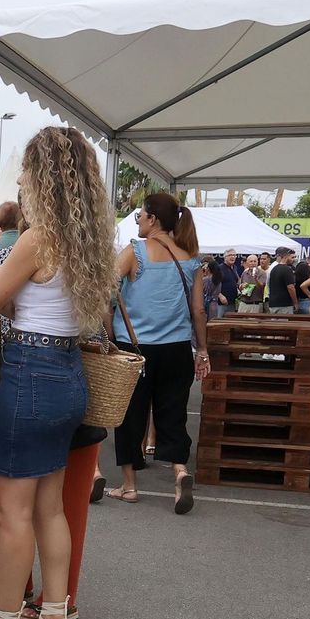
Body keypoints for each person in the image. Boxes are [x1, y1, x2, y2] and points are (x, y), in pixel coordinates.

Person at [0, 126, 114, 619]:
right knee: (51, 509)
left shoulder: (37, 238)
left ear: (43, 176)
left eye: (26, 168)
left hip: (28, 373)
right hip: (68, 374)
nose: (20, 177)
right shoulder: (88, 240)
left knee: (15, 513)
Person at [106, 192, 209, 513]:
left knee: (129, 416)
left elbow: (104, 290)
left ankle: (130, 486)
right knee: (173, 413)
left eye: (140, 215)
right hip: (177, 348)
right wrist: (203, 349)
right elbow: (198, 310)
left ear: (152, 219)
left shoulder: (135, 251)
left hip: (134, 349)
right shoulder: (190, 256)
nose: (138, 220)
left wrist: (108, 335)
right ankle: (180, 472)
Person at [267, 246, 299, 314]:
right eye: (291, 257)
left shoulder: (274, 269)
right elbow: (291, 287)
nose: (293, 259)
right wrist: (295, 302)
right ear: (286, 257)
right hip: (284, 305)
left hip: (273, 303)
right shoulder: (287, 269)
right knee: (284, 324)